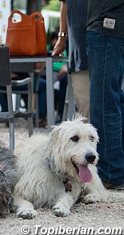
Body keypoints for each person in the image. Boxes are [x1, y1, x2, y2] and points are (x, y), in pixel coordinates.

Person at [86, 0, 124, 189]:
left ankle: (112, 173)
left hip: (108, 26)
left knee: (104, 103)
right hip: (110, 25)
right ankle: (116, 169)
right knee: (112, 100)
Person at [52, 0, 90, 121]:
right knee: (85, 105)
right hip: (80, 46)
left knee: (113, 102)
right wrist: (62, 36)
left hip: (112, 42)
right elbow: (65, 3)